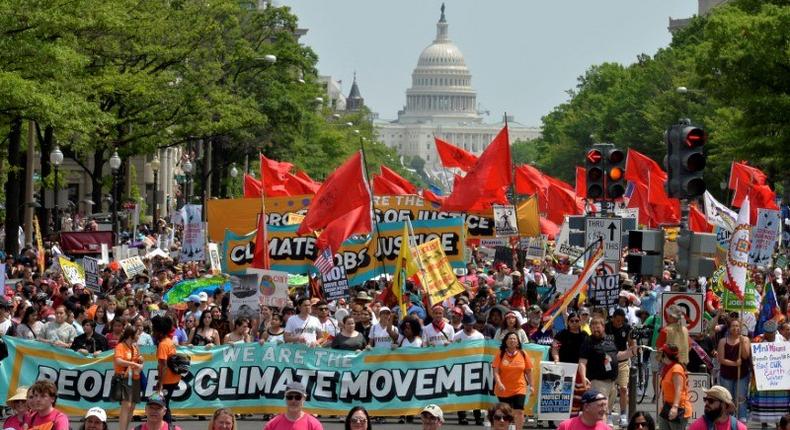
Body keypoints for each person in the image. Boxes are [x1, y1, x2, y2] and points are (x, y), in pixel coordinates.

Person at [750, 320, 790, 425]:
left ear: (775, 331)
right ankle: (764, 423)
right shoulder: (758, 340)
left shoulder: (782, 340)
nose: (770, 335)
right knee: (764, 402)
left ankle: (779, 424)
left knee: (778, 403)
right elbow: (752, 357)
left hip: (779, 379)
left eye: (772, 333)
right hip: (763, 378)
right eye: (768, 333)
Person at [492, 332, 534, 430]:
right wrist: (499, 383)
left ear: (518, 342)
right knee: (505, 413)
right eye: (510, 339)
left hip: (519, 388)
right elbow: (496, 371)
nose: (512, 340)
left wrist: (532, 385)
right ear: (505, 341)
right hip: (503, 389)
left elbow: (528, 371)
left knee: (519, 411)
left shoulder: (523, 354)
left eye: (514, 339)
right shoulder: (500, 354)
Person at [716, 318, 751, 422]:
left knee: (741, 398)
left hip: (742, 375)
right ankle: (728, 419)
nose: (735, 328)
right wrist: (735, 364)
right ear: (729, 328)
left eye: (737, 326)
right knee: (728, 398)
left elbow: (745, 356)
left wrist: (742, 342)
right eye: (733, 326)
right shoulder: (723, 341)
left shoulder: (745, 339)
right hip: (726, 375)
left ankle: (742, 419)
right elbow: (721, 359)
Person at [606, 308, 635, 427]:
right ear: (613, 318)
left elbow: (631, 343)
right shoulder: (606, 327)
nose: (619, 323)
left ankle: (623, 415)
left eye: (621, 321)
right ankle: (608, 414)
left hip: (623, 362)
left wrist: (632, 349)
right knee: (611, 390)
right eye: (617, 320)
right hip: (608, 361)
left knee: (623, 389)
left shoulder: (627, 328)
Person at [152, 315, 180, 425]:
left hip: (167, 380)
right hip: (174, 378)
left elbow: (163, 366)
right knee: (166, 404)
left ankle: (168, 426)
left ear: (160, 331)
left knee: (164, 405)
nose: (153, 333)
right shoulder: (169, 341)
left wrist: (160, 383)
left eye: (154, 330)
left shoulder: (163, 345)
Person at [115, 325, 144, 430]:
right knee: (126, 406)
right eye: (137, 333)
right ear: (131, 335)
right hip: (124, 378)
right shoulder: (120, 346)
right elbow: (118, 360)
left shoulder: (135, 347)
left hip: (135, 378)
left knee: (132, 407)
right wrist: (133, 364)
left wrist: (140, 361)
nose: (139, 335)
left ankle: (126, 428)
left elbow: (139, 360)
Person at [657, 344, 692, 430]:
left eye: (662, 353)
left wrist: (675, 408)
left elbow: (678, 390)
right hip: (667, 407)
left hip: (678, 408)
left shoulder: (676, 369)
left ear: (665, 355)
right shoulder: (668, 367)